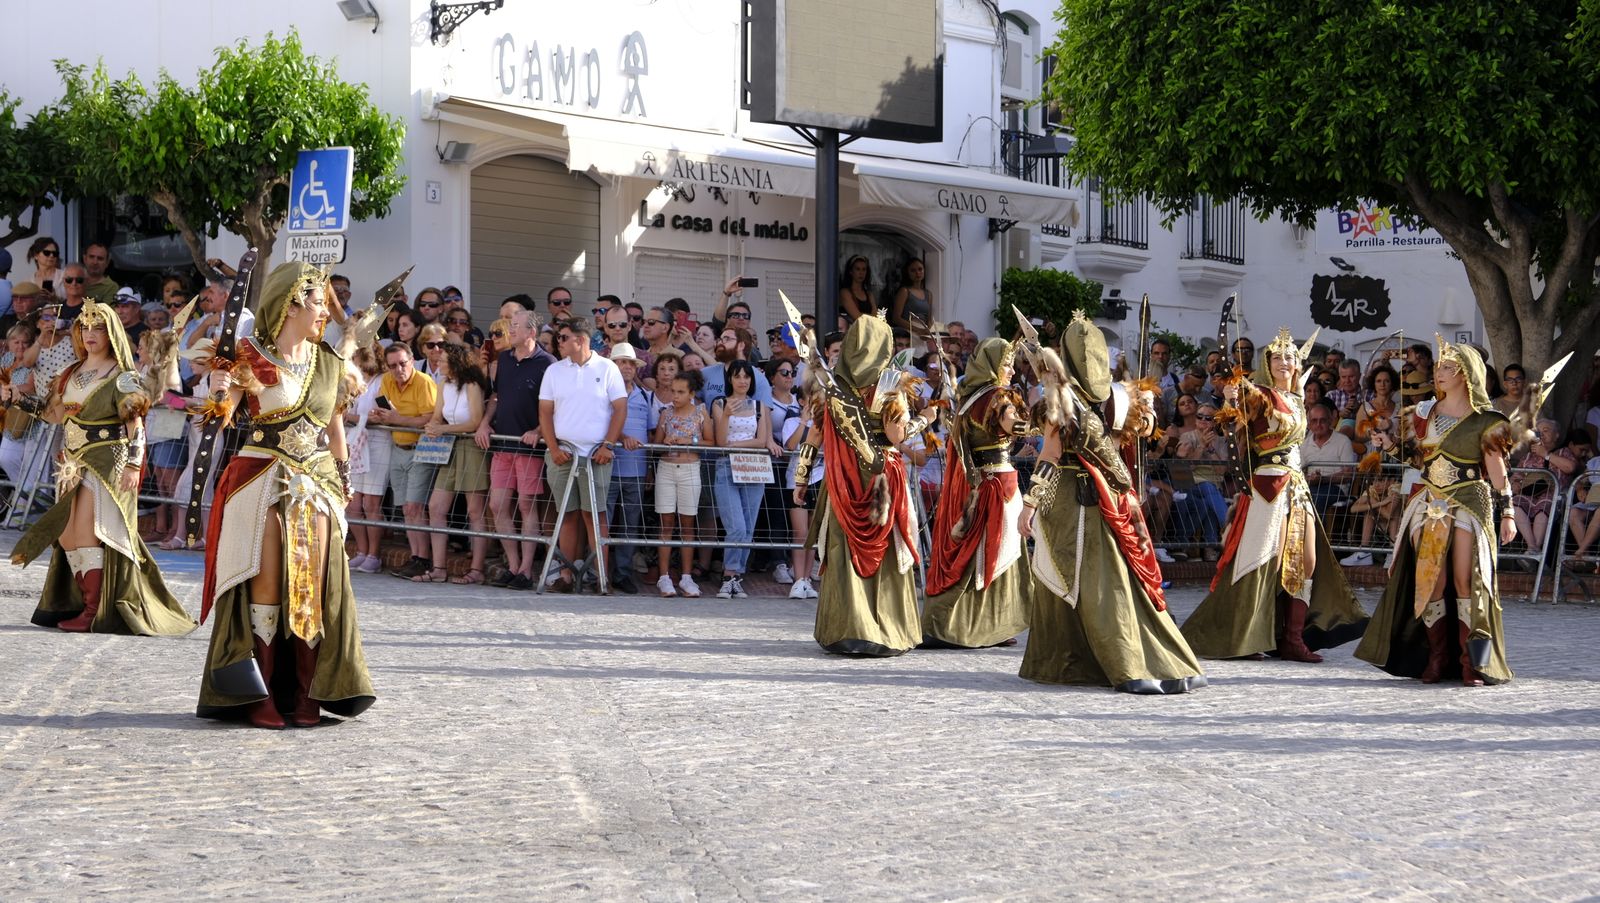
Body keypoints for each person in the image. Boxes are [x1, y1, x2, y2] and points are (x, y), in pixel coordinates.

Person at [195, 261, 374, 729]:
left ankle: (307, 692)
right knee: (267, 586)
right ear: (291, 303)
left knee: (311, 588)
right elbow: (221, 416)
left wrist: (343, 482)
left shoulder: (330, 364)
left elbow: (335, 433)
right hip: (261, 478)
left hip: (314, 484)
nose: (325, 314)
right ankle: (261, 694)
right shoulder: (248, 356)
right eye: (319, 303)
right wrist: (218, 390)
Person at [1017, 313, 1207, 694]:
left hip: (1094, 499)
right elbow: (1051, 452)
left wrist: (1030, 503)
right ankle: (1092, 661)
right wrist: (1032, 501)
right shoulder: (1089, 396)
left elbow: (1067, 450)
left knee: (1111, 583)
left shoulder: (1108, 397)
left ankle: (1134, 661)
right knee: (1099, 582)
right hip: (1082, 499)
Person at [5, 300, 195, 635]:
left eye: (98, 328)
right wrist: (15, 398)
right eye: (85, 327)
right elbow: (54, 415)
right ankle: (86, 603)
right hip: (72, 462)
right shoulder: (71, 373)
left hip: (107, 461)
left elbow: (136, 425)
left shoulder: (121, 377)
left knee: (89, 533)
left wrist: (135, 465)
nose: (90, 334)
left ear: (111, 333)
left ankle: (95, 610)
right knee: (66, 537)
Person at [1181, 327, 1368, 663]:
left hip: (1296, 484)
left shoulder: (1298, 401)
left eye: (1290, 356)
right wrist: (1233, 395)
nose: (1285, 361)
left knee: (1307, 561)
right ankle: (1250, 633)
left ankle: (1292, 638)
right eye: (1278, 356)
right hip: (1268, 485)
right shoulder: (1261, 394)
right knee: (1265, 559)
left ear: (1298, 364)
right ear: (1268, 362)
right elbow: (1235, 403)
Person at [1355, 338, 1517, 686]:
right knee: (1430, 583)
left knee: (1468, 583)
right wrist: (1389, 446)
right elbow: (1417, 460)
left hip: (1470, 501)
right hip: (1429, 502)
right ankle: (1438, 658)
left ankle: (1474, 662)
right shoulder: (1424, 413)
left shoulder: (1487, 421)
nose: (1439, 373)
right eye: (1439, 366)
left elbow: (1498, 472)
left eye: (1447, 367)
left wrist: (1508, 513)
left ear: (1466, 374)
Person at [795, 315, 922, 656]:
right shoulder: (891, 385)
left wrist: (801, 477)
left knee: (844, 549)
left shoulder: (830, 388)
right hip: (884, 477)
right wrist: (926, 420)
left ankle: (844, 630)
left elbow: (814, 436)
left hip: (842, 479)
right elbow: (898, 435)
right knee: (885, 552)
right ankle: (883, 630)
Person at [922, 337, 1032, 648]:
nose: (1010, 369)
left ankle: (987, 625)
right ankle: (976, 625)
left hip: (982, 485)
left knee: (985, 554)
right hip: (999, 485)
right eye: (1006, 363)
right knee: (995, 554)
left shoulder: (969, 399)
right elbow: (1015, 426)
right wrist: (1047, 423)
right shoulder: (998, 397)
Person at [539, 317, 628, 592]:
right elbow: (545, 412)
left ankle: (601, 578)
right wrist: (553, 449)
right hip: (563, 453)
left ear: (581, 339)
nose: (559, 342)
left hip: (595, 455)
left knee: (595, 515)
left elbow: (620, 408)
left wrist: (609, 445)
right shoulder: (554, 371)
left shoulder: (608, 367)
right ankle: (566, 576)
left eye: (564, 337)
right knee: (567, 514)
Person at [477, 308, 554, 591]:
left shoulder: (548, 363)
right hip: (503, 444)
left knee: (526, 506)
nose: (510, 331)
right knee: (497, 505)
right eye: (510, 325)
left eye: (516, 326)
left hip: (529, 448)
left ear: (531, 333)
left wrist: (537, 432)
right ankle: (512, 565)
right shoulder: (505, 359)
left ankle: (526, 570)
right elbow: (497, 396)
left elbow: (553, 408)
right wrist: (485, 423)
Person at [415, 342, 492, 585]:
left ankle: (477, 569)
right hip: (449, 446)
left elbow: (475, 421)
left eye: (445, 360)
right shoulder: (443, 384)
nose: (439, 363)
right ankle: (438, 567)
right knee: (436, 507)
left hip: (470, 446)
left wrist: (442, 428)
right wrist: (433, 426)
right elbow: (438, 415)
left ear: (457, 362)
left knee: (475, 510)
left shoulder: (472, 384)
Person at [710, 359, 780, 599]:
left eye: (746, 377)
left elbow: (762, 440)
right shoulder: (719, 404)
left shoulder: (759, 406)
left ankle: (736, 575)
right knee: (736, 525)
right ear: (729, 379)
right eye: (737, 376)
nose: (742, 381)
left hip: (753, 466)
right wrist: (727, 417)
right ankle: (729, 574)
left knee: (748, 526)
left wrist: (736, 444)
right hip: (726, 467)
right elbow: (720, 441)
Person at [372, 343, 440, 579]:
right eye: (393, 365)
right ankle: (415, 556)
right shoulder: (387, 381)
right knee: (405, 507)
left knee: (415, 506)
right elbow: (385, 410)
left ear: (412, 360)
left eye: (403, 363)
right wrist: (381, 415)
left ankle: (422, 558)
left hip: (420, 448)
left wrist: (397, 419)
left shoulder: (423, 382)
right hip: (398, 447)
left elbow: (431, 418)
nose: (398, 369)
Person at [654, 372, 710, 597]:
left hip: (690, 469)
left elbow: (711, 441)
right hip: (666, 468)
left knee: (688, 523)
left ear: (691, 393)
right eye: (673, 391)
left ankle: (686, 577)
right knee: (666, 523)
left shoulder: (700, 412)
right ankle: (664, 576)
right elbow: (656, 444)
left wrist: (690, 441)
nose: (675, 396)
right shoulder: (665, 414)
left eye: (680, 392)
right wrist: (664, 441)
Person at [605, 343, 652, 595]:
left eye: (630, 363)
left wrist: (650, 472)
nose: (626, 367)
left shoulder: (646, 395)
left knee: (629, 527)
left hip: (637, 471)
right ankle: (598, 571)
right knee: (603, 524)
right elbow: (600, 423)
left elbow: (651, 432)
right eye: (622, 362)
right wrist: (621, 437)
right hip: (608, 468)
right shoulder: (603, 393)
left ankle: (622, 574)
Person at [889, 258, 931, 330]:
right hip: (907, 333)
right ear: (907, 273)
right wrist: (917, 330)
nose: (917, 273)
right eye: (913, 271)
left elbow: (928, 319)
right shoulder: (904, 291)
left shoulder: (928, 294)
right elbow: (896, 318)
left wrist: (929, 331)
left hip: (923, 335)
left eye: (920, 269)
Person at [839, 255, 875, 322]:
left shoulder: (869, 294)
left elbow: (876, 316)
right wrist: (870, 316)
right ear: (851, 271)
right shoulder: (845, 293)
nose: (861, 273)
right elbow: (857, 317)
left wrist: (863, 315)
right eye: (857, 269)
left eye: (864, 269)